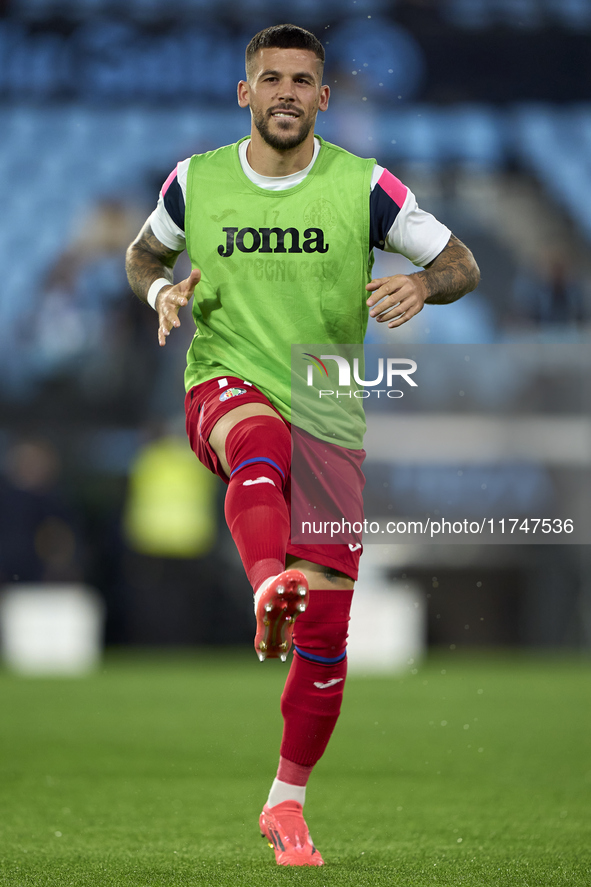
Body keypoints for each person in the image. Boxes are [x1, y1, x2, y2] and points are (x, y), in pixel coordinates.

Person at [125, 23, 480, 867]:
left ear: (324, 98)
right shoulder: (195, 182)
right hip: (227, 382)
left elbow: (462, 261)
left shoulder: (364, 188)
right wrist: (160, 292)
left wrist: (421, 282)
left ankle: (286, 801)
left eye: (302, 81)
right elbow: (143, 255)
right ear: (243, 93)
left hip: (327, 401)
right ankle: (265, 585)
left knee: (324, 635)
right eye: (270, 78)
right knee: (259, 442)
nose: (286, 92)